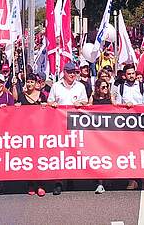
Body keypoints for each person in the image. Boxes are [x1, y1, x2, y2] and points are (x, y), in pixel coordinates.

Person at [47, 61, 88, 195]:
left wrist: (80, 103)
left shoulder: (80, 86)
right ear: (64, 72)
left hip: (75, 125)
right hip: (59, 125)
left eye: (74, 72)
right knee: (59, 153)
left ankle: (71, 178)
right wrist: (52, 104)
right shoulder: (56, 86)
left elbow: (86, 102)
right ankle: (58, 181)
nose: (72, 74)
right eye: (69, 72)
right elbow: (50, 101)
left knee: (74, 151)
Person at [113, 64, 144, 190]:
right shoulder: (121, 87)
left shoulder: (142, 87)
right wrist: (125, 106)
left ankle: (143, 174)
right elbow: (118, 105)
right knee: (129, 152)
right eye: (128, 74)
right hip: (127, 125)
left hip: (140, 124)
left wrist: (135, 107)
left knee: (142, 151)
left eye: (133, 73)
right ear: (125, 75)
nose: (131, 76)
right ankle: (132, 179)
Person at [15, 73, 48, 197]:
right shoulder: (22, 96)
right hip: (26, 133)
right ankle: (30, 184)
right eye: (27, 82)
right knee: (28, 159)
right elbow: (16, 111)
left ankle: (40, 184)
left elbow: (48, 112)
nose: (29, 84)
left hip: (39, 132)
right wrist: (17, 107)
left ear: (36, 83)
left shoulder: (42, 96)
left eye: (32, 82)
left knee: (39, 158)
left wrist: (46, 106)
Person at [89, 77, 114, 194]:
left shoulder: (110, 98)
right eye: (103, 87)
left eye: (107, 86)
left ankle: (108, 178)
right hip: (96, 132)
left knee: (108, 156)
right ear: (98, 88)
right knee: (98, 157)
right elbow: (87, 110)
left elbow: (117, 109)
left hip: (108, 132)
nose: (106, 89)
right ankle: (99, 183)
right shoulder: (93, 98)